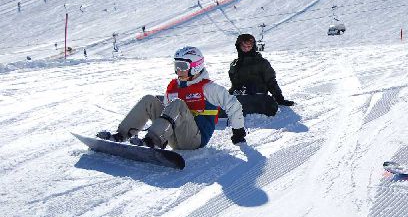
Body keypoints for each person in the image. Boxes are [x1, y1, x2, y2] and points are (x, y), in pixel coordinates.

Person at [97, 46, 246, 149]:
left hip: (195, 139)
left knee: (178, 104)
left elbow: (233, 105)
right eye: (176, 65)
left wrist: (238, 131)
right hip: (174, 138)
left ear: (196, 66)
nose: (178, 70)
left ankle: (152, 140)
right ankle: (121, 135)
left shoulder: (208, 88)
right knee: (149, 100)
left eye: (183, 66)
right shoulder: (174, 87)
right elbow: (166, 114)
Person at [228, 33, 294, 115]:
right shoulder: (235, 64)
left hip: (259, 98)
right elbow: (234, 85)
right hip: (241, 97)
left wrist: (279, 99)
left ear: (253, 46)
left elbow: (271, 82)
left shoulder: (262, 62)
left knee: (269, 106)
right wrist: (227, 96)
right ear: (239, 46)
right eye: (243, 46)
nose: (246, 49)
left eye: (249, 46)